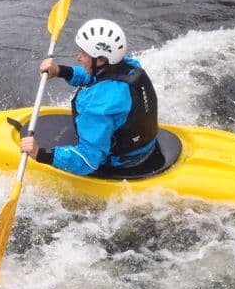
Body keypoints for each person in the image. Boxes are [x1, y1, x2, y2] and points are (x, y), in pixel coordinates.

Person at [20, 19, 158, 175]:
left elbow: (88, 160)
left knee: (88, 151)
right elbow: (96, 78)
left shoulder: (97, 107)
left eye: (84, 54)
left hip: (121, 162)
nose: (78, 57)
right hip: (147, 145)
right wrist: (60, 70)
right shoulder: (130, 67)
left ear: (102, 60)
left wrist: (41, 154)